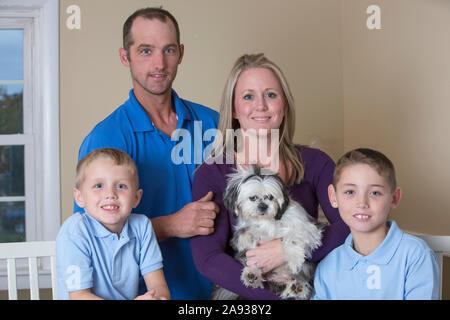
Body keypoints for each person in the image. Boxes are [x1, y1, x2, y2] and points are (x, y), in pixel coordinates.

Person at [75, 7, 219, 299]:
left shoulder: (215, 124)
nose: (159, 63)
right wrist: (172, 225)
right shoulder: (105, 138)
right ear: (125, 57)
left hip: (222, 291)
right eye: (145, 51)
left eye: (168, 50)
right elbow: (92, 238)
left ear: (180, 53)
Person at [190, 53, 350, 299]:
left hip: (305, 287)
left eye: (271, 95)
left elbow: (349, 224)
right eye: (248, 96)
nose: (261, 105)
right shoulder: (211, 173)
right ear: (233, 108)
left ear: (284, 105)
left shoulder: (316, 163)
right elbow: (209, 259)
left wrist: (289, 250)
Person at [312, 148, 439, 299]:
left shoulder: (415, 256)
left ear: (394, 198)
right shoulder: (327, 267)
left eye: (375, 193)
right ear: (333, 197)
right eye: (350, 192)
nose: (362, 203)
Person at [57, 148, 170, 300]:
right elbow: (79, 295)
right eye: (98, 186)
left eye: (121, 186)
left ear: (136, 197)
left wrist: (158, 298)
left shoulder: (142, 226)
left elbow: (158, 286)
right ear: (79, 197)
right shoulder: (75, 231)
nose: (110, 194)